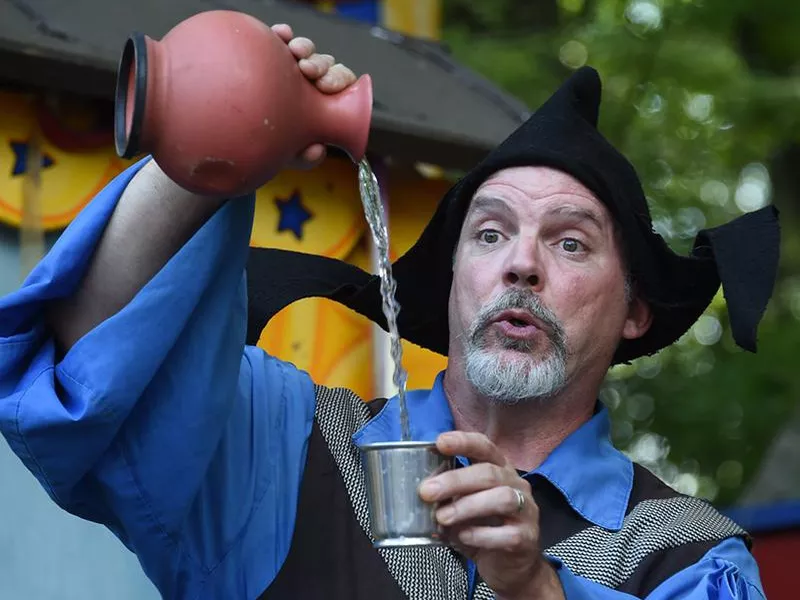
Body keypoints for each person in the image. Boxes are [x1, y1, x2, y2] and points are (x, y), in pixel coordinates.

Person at [0, 22, 780, 600]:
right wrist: (215, 150)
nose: (521, 261)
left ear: (636, 310)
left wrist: (535, 587)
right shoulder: (286, 445)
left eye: (571, 244)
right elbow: (91, 357)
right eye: (490, 232)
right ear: (451, 282)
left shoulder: (687, 556)